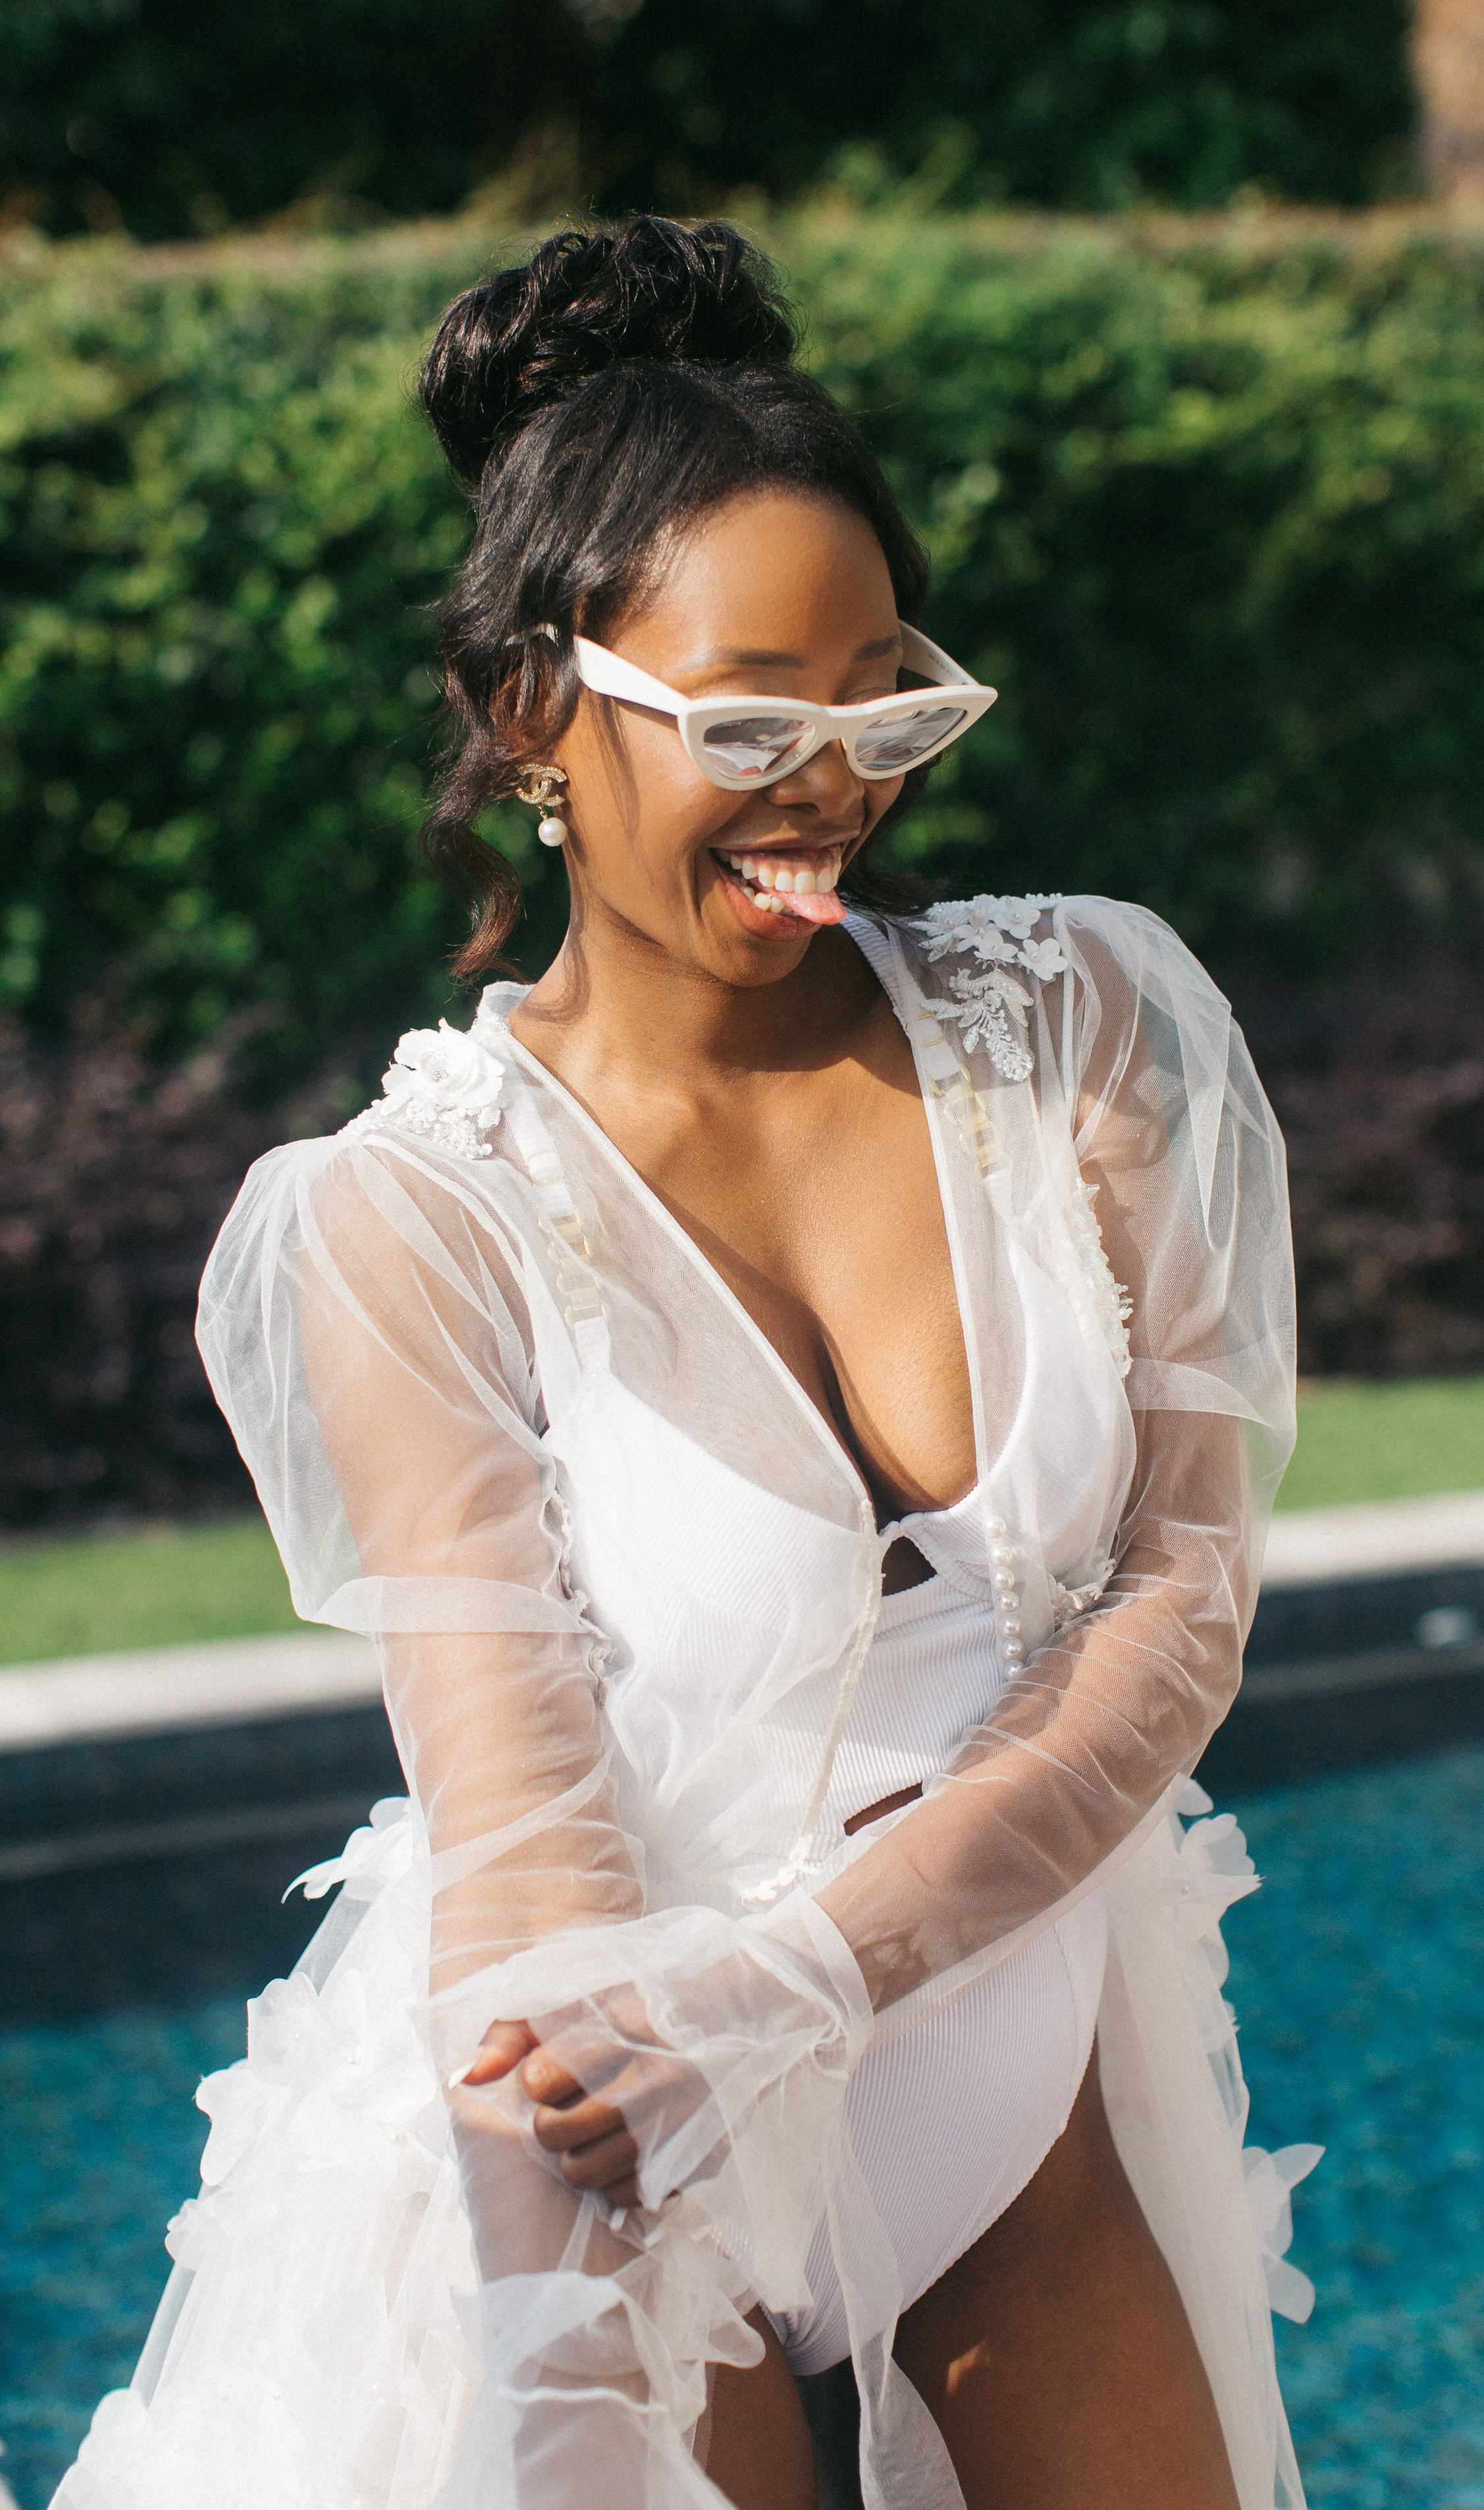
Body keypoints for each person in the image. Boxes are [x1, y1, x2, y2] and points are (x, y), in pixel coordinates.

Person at [54, 215, 1315, 2510]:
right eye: (746, 722)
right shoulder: (407, 1222)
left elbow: (1180, 1597)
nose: (828, 787)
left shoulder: (1081, 1034)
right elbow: (524, 1887)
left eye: (879, 709)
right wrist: (555, 2384)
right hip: (623, 2137)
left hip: (1021, 2093)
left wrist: (814, 1974)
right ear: (536, 708)